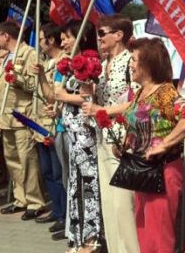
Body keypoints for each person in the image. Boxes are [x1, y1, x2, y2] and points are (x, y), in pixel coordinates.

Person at [84, 38, 185, 253]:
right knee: (144, 229)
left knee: (160, 234)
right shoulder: (141, 92)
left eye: (134, 60)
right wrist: (124, 143)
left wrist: (164, 144)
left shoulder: (166, 92)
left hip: (162, 171)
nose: (131, 65)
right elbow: (134, 116)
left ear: (149, 64)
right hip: (142, 171)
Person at [93, 14, 140, 253]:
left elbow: (139, 101)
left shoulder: (131, 63)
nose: (98, 38)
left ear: (119, 35)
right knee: (109, 200)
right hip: (103, 134)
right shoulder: (101, 65)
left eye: (102, 33)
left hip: (123, 135)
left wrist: (103, 110)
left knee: (123, 202)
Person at [54, 22, 102, 252]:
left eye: (66, 37)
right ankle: (78, 235)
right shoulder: (72, 63)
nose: (62, 42)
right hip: (72, 133)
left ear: (81, 38)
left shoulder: (91, 62)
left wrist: (63, 95)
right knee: (75, 183)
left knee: (87, 183)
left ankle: (92, 237)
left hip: (85, 133)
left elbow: (88, 98)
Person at [0, 20, 46, 220]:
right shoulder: (8, 56)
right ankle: (20, 198)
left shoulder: (29, 53)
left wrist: (18, 79)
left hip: (22, 116)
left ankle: (35, 201)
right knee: (13, 160)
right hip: (5, 118)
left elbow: (35, 85)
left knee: (28, 161)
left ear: (6, 35)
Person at [32, 23, 68, 240]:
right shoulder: (45, 63)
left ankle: (65, 215)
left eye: (42, 37)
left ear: (51, 40)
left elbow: (53, 97)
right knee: (47, 171)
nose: (40, 42)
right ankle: (57, 211)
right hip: (41, 123)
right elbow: (44, 95)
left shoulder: (63, 62)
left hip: (55, 125)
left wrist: (44, 77)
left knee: (59, 172)